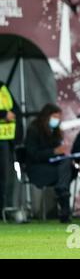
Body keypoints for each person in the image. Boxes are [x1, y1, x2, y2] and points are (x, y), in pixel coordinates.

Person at [25, 103, 73, 223]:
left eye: (58, 118)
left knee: (67, 163)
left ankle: (63, 195)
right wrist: (53, 152)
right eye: (55, 117)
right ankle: (64, 205)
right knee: (64, 173)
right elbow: (33, 155)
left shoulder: (55, 132)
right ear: (46, 116)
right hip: (37, 168)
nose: (56, 120)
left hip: (53, 167)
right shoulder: (34, 130)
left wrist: (61, 152)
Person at [0, 81, 18, 213]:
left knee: (5, 177)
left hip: (6, 139)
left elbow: (15, 109)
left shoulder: (3, 87)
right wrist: (3, 115)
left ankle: (2, 210)